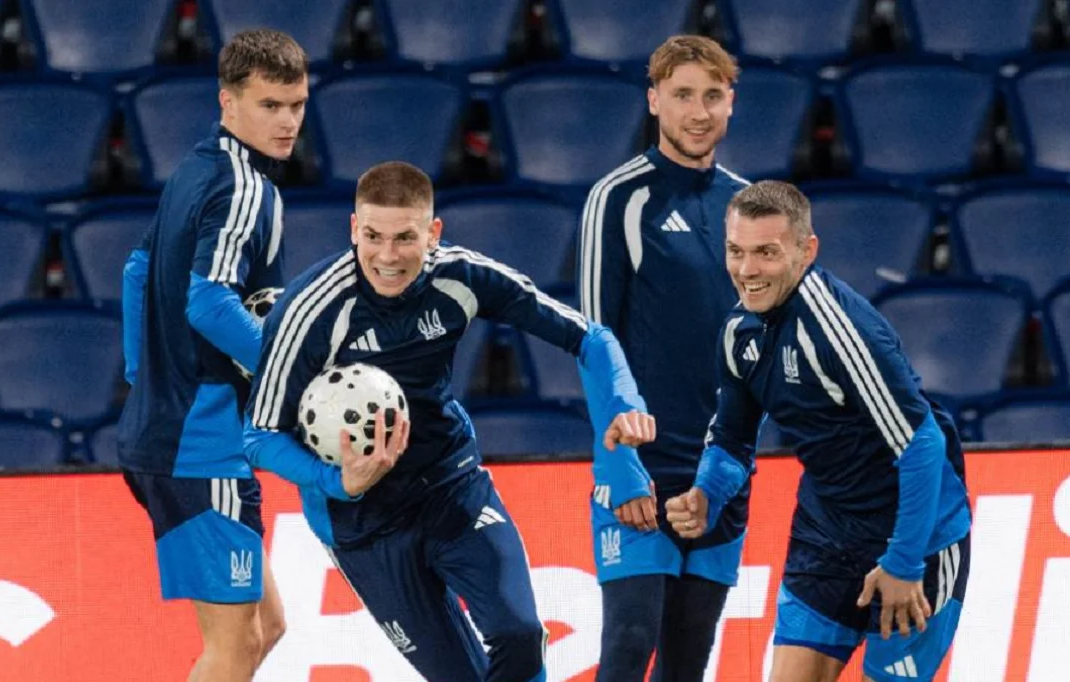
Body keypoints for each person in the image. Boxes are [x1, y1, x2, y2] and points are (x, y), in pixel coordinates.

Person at [243, 160, 657, 682]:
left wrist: (623, 403)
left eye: (404, 238)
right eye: (372, 236)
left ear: (433, 233)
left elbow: (590, 338)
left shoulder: (462, 276)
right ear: (353, 228)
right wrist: (337, 482)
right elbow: (260, 436)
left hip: (451, 486)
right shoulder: (309, 311)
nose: (387, 256)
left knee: (519, 636)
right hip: (362, 523)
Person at [665, 181, 972, 682]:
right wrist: (706, 493)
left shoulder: (838, 328)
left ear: (806, 251)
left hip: (918, 538)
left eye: (766, 252)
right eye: (736, 251)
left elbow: (922, 446)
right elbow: (732, 440)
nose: (747, 270)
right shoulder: (738, 333)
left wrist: (904, 562)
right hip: (826, 534)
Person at [117, 29, 308, 682]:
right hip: (201, 444)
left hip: (168, 429)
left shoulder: (194, 169)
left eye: (296, 105)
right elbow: (207, 302)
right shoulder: (246, 188)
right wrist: (288, 372)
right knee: (231, 645)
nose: (287, 122)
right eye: (269, 105)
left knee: (267, 627)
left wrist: (145, 377)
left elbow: (136, 270)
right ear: (228, 101)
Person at [576, 34, 749, 681]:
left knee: (686, 662)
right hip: (641, 466)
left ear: (731, 102)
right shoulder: (618, 198)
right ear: (653, 101)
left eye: (711, 96)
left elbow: (758, 348)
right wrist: (619, 466)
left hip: (719, 473)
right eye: (681, 95)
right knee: (628, 642)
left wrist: (730, 466)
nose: (698, 112)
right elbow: (594, 340)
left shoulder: (747, 206)